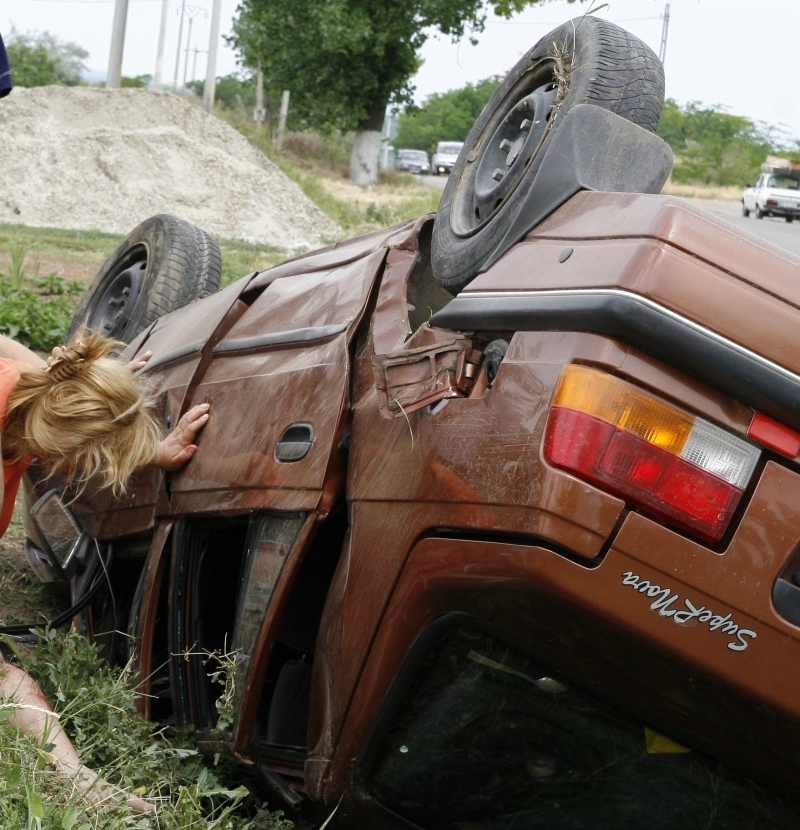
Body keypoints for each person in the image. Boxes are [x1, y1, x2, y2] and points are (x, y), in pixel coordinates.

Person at [0, 329, 210, 814]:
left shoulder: (35, 392)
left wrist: (146, 447)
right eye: (82, 459)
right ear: (58, 439)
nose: (74, 473)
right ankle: (81, 785)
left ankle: (81, 785)